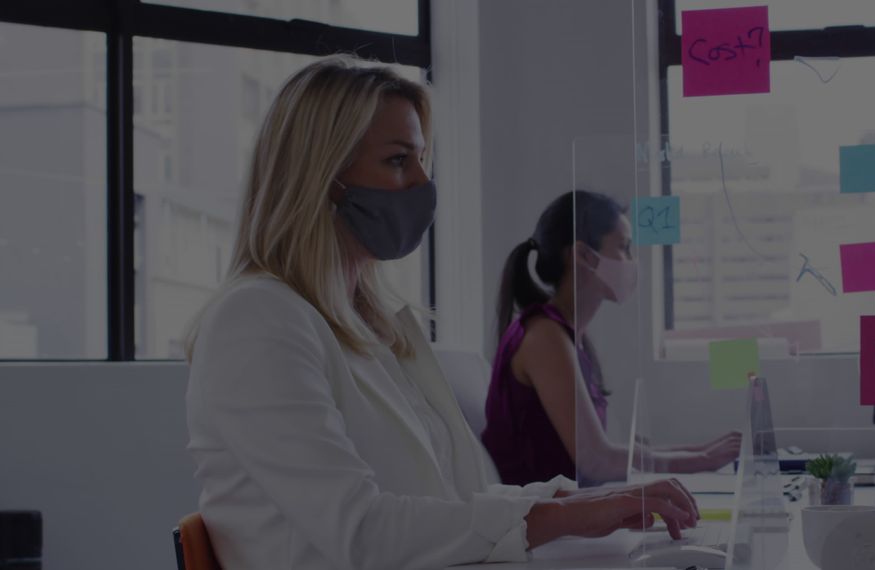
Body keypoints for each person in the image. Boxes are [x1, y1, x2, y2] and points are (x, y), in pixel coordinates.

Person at [184, 55, 701, 569]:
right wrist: (568, 518)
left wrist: (591, 505)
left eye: (422, 160)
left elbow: (455, 503)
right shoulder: (255, 319)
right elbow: (363, 533)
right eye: (397, 161)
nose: (422, 183)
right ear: (320, 175)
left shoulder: (373, 322)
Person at [483, 191, 742, 486]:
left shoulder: (567, 335)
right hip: (541, 520)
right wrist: (701, 462)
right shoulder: (544, 336)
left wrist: (701, 452)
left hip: (568, 508)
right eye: (624, 247)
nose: (632, 261)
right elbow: (596, 461)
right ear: (582, 256)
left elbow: (604, 454)